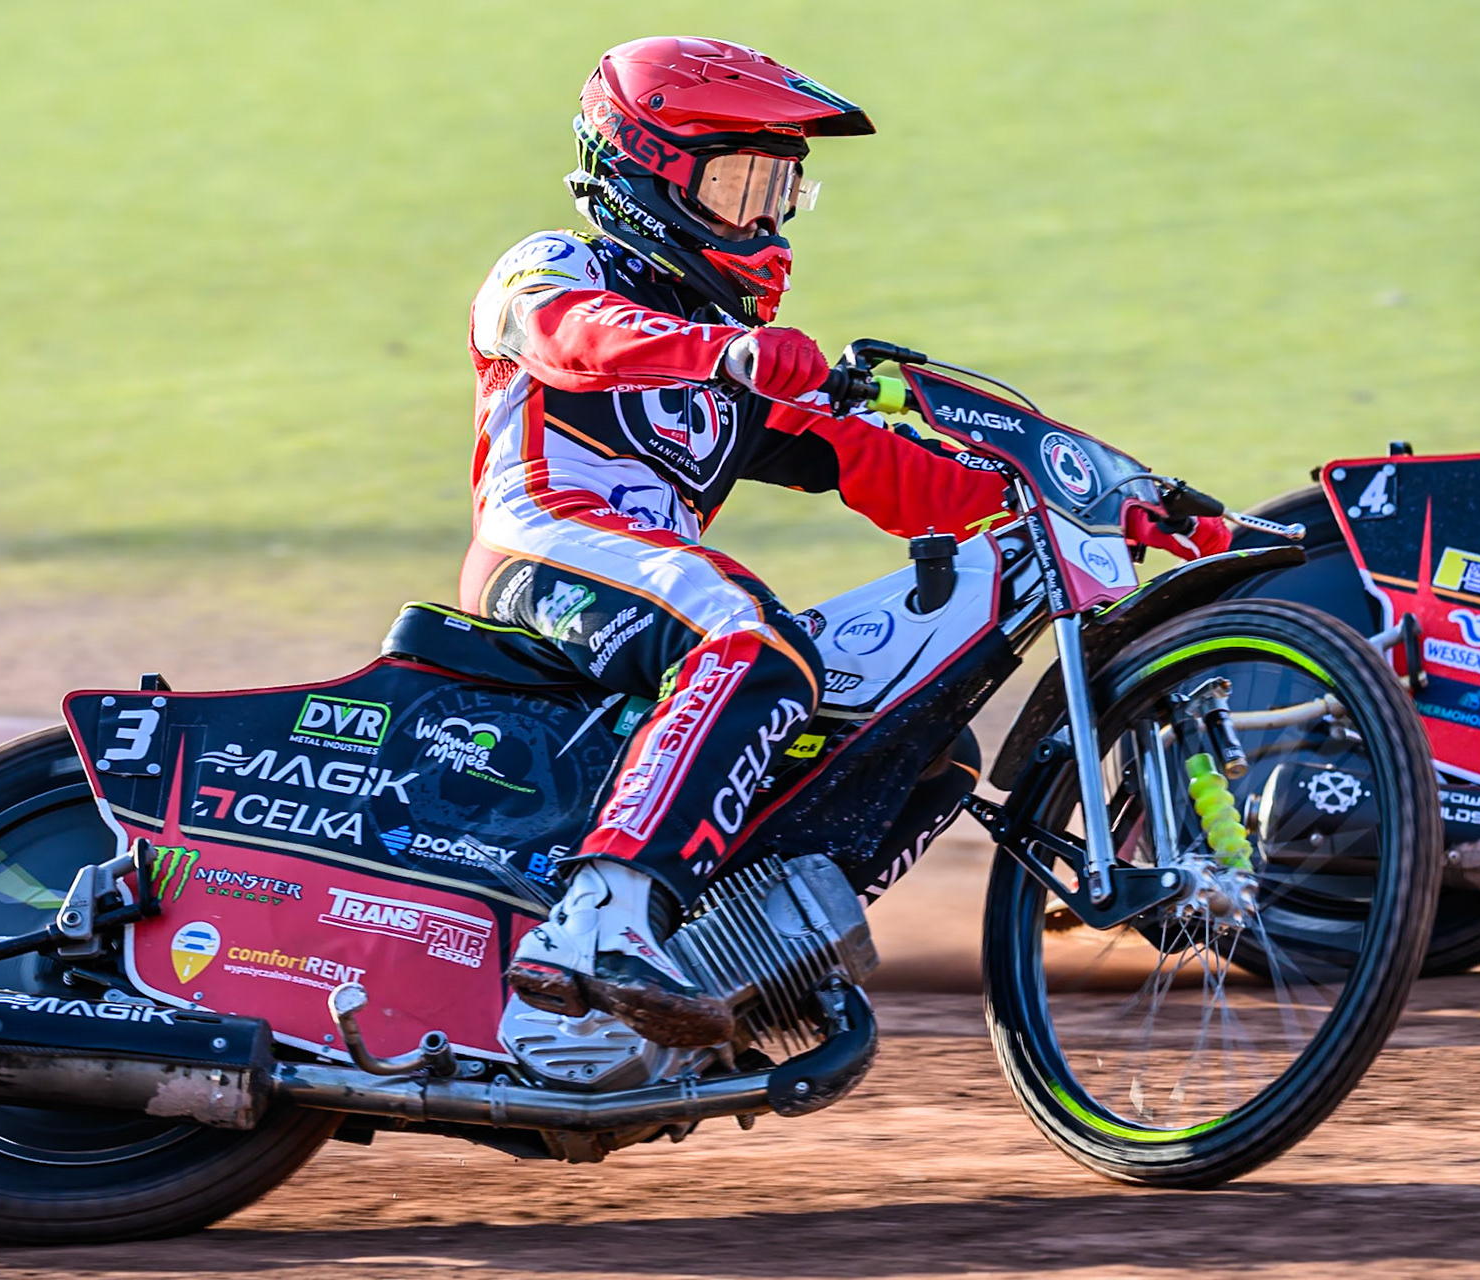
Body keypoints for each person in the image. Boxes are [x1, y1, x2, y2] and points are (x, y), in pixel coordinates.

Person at [461, 36, 1226, 1047]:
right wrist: (722, 352)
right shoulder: (558, 267)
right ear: (643, 171)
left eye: (782, 187)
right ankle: (605, 920)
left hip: (654, 593)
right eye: (740, 184)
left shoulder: (740, 372)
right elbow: (569, 335)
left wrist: (1102, 502)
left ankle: (735, 962)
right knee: (751, 639)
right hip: (543, 553)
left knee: (929, 746)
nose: (767, 219)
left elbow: (899, 472)